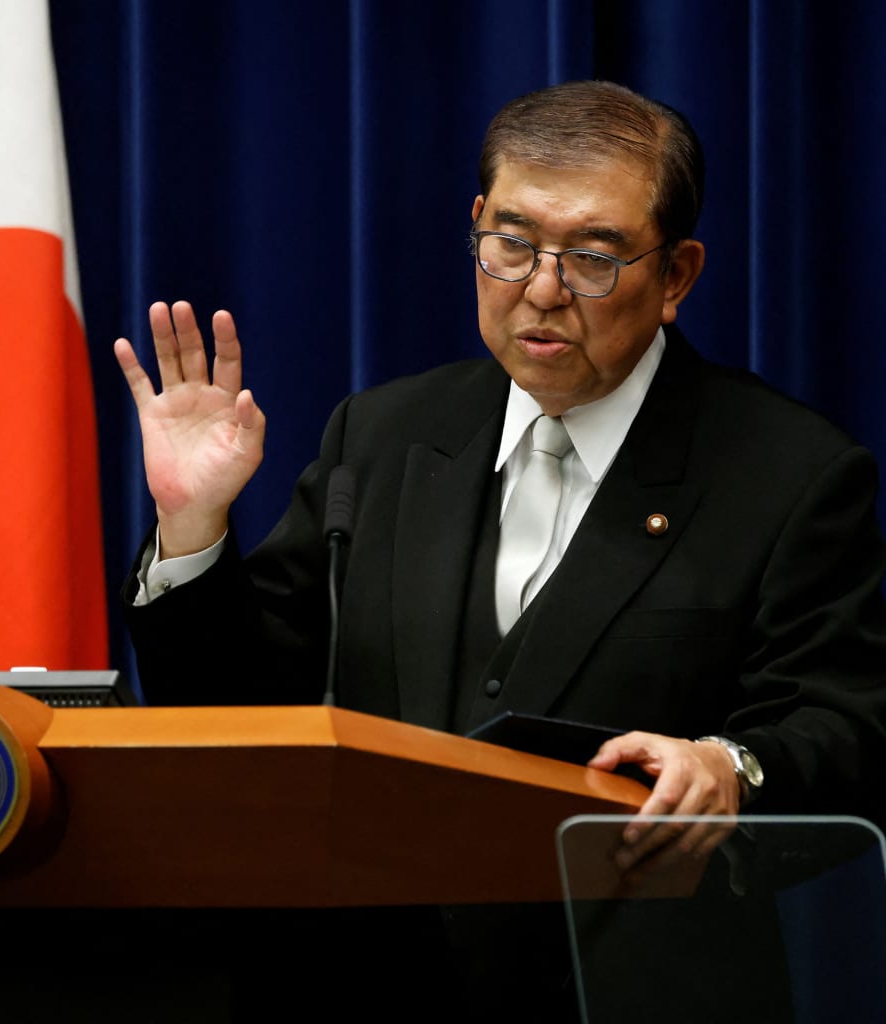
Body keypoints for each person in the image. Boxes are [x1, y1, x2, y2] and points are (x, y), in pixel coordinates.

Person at [114, 80, 886, 1021]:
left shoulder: (789, 472)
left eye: (594, 258)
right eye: (512, 244)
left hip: (631, 991)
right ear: (476, 226)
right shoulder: (386, 433)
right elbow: (238, 704)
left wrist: (732, 762)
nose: (544, 290)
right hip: (370, 989)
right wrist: (193, 527)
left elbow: (845, 722)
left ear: (677, 274)